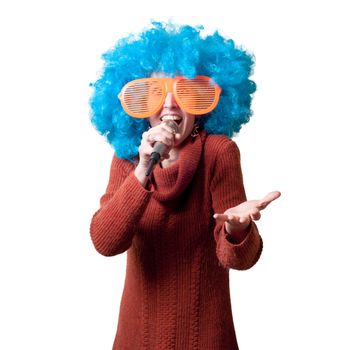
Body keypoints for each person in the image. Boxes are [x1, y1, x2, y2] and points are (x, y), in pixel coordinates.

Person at [89, 22, 280, 350]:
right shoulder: (127, 159)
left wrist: (237, 230)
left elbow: (238, 259)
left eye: (187, 92)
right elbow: (106, 242)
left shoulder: (218, 153)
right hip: (138, 336)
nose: (170, 106)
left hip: (204, 337)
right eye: (154, 94)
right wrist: (142, 169)